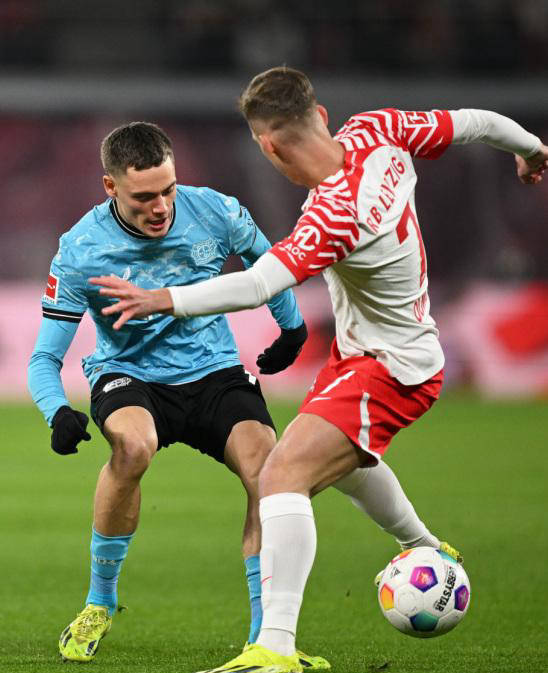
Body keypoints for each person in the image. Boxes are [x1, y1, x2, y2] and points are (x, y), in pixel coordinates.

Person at [92, 67, 548, 673]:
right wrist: (531, 150)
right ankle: (425, 547)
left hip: (390, 366)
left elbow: (257, 284)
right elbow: (476, 122)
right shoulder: (378, 130)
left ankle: (275, 648)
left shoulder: (333, 216)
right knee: (345, 461)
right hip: (367, 353)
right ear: (323, 115)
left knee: (282, 476)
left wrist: (164, 298)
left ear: (269, 146)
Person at [28, 121, 315, 664]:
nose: (160, 207)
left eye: (168, 190)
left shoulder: (217, 212)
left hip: (215, 372)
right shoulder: (81, 249)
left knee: (270, 474)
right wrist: (56, 412)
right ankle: (100, 602)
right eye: (143, 197)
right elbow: (44, 358)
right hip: (128, 374)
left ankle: (264, 638)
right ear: (110, 187)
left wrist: (292, 328)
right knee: (132, 448)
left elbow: (270, 266)